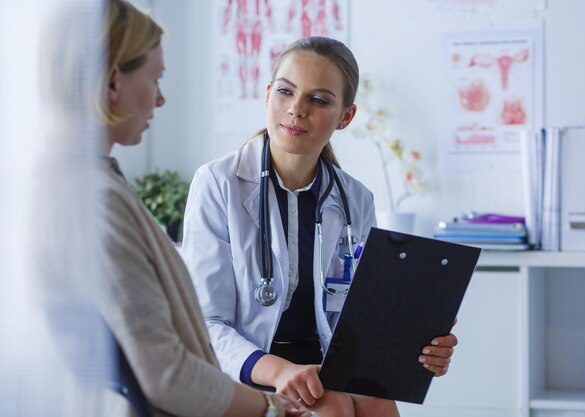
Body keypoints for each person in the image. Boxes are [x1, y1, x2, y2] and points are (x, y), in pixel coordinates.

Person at [181, 36, 458, 417]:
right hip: (246, 366)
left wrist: (419, 346)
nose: (296, 109)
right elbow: (206, 323)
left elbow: (361, 317)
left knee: (378, 404)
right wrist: (280, 371)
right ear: (267, 95)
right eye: (286, 91)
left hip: (325, 366)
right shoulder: (218, 183)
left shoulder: (355, 200)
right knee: (332, 409)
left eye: (319, 100)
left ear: (345, 117)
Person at [95, 1, 312, 416]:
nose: (160, 99)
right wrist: (269, 408)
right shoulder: (98, 201)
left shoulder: (105, 186)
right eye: (155, 78)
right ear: (111, 83)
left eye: (319, 99)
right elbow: (167, 371)